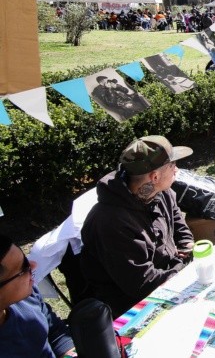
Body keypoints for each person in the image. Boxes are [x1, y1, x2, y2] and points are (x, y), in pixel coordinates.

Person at [81, 135, 195, 317]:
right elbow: (142, 283)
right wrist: (185, 269)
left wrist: (187, 244)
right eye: (172, 165)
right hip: (134, 306)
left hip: (169, 278)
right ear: (155, 176)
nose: (177, 169)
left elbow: (178, 223)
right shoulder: (112, 223)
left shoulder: (161, 192)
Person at [0, 234, 75, 357]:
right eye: (24, 268)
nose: (33, 265)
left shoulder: (27, 297)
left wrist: (69, 353)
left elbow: (56, 332)